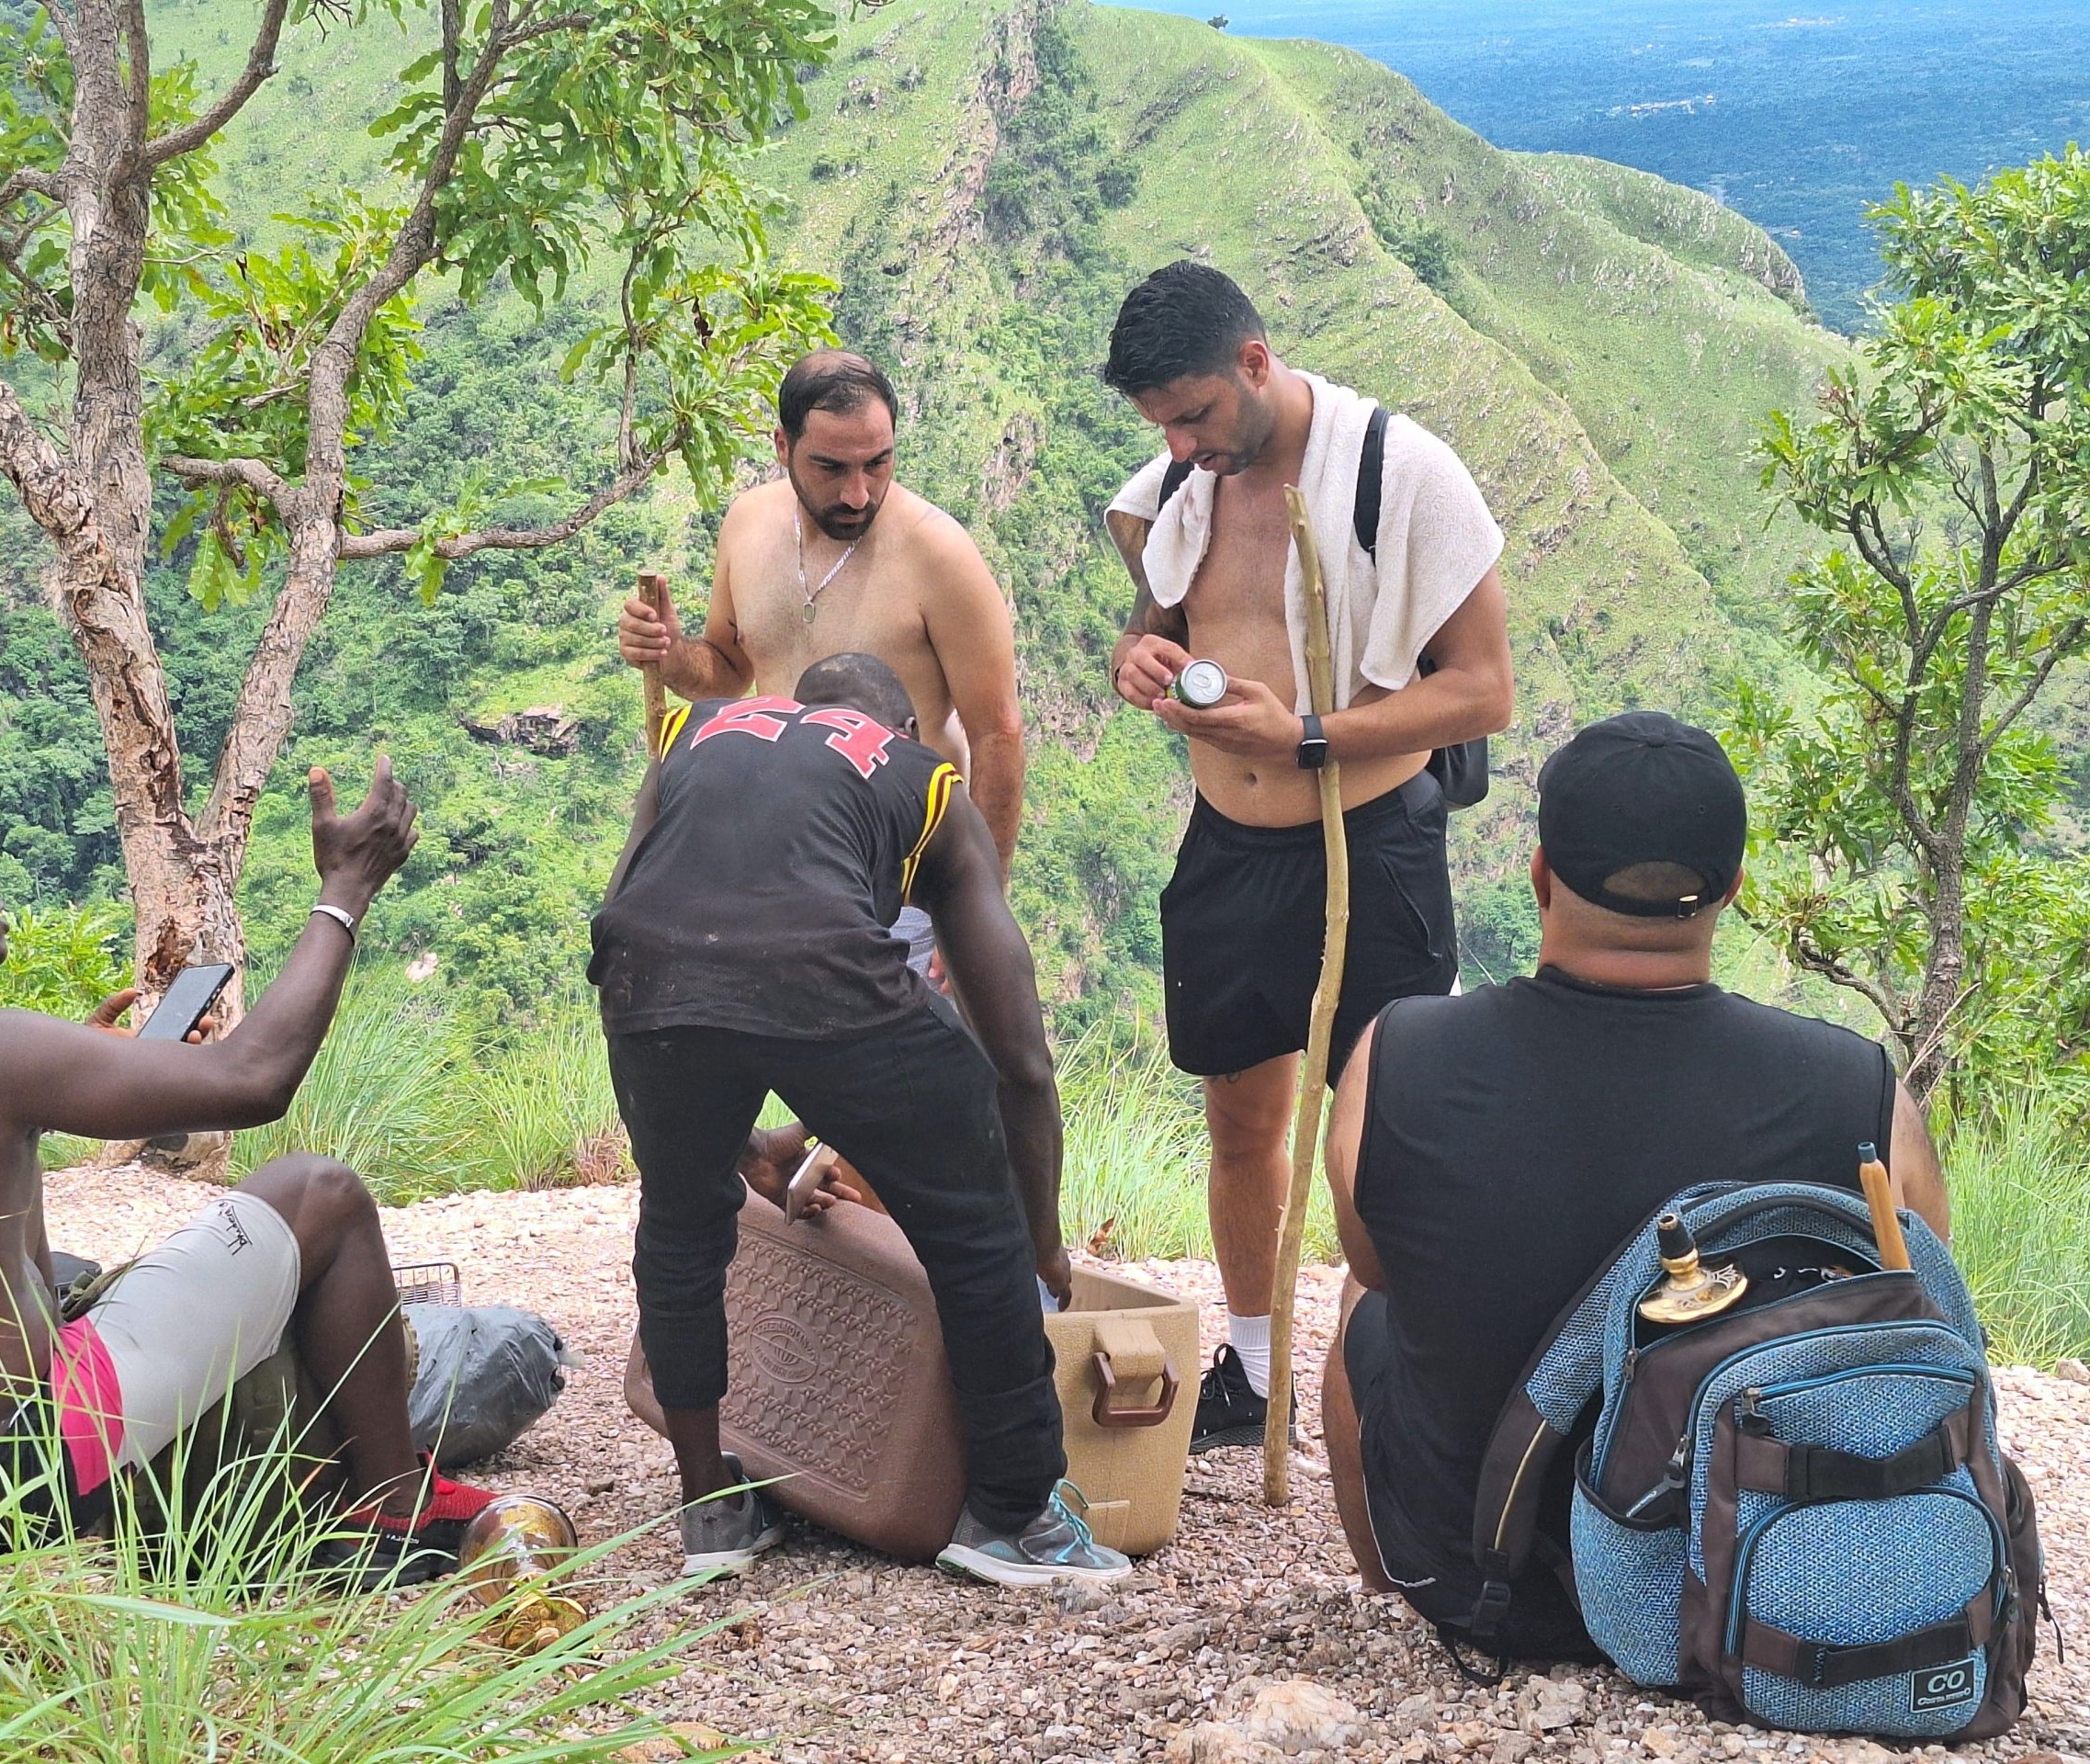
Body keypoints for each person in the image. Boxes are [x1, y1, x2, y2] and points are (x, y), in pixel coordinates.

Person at [0, 760, 494, 1584]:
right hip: (17, 1481)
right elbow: (254, 1081)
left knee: (60, 1290)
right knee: (320, 1190)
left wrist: (92, 1065)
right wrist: (346, 889)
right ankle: (395, 1507)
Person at [1319, 711, 1951, 1653]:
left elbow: (1377, 1257)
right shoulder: (1852, 1089)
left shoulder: (1397, 1053)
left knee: (1364, 1303)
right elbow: (1914, 1319)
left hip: (1486, 1586)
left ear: (1538, 875)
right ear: (1731, 888)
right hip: (1757, 1586)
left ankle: (1391, 1573)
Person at [591, 651, 1128, 1588]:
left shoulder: (692, 730)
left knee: (679, 1222)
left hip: (644, 969)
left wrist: (727, 1143)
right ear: (904, 730)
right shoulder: (923, 779)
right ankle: (1012, 1515)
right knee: (972, 1220)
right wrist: (1038, 1238)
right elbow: (1022, 1064)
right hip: (825, 969)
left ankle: (707, 1510)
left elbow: (641, 896)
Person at [1099, 261, 1516, 1453]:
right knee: (1239, 1118)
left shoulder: (1404, 473)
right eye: (1163, 426)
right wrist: (1140, 664)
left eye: (1196, 414)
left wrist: (1310, 737)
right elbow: (1161, 627)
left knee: (1379, 1139)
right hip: (1227, 846)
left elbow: (1484, 690)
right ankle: (1258, 1367)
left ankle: (1394, 1380)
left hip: (1367, 845)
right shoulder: (1181, 482)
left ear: (1255, 361)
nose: (1183, 444)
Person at [616, 348, 1025, 982]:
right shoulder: (749, 525)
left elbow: (997, 735)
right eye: (831, 467)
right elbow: (728, 672)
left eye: (878, 464)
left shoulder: (939, 556)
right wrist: (669, 653)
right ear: (782, 446)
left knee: (905, 1075)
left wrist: (977, 913)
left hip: (906, 879)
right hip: (777, 861)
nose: (858, 493)